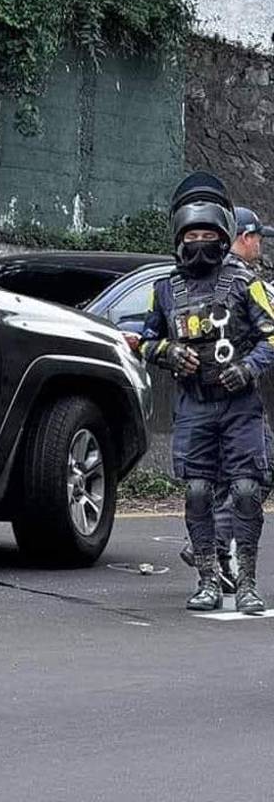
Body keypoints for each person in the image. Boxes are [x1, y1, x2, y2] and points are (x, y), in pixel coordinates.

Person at [140, 173, 274, 613]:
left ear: (223, 235)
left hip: (240, 408)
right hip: (194, 405)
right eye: (191, 235)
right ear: (180, 236)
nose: (199, 242)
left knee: (246, 491)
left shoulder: (245, 283)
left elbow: (271, 336)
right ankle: (207, 581)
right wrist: (168, 352)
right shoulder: (164, 289)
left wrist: (247, 368)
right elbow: (144, 340)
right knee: (197, 491)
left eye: (207, 234)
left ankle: (249, 584)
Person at [178, 205, 274, 589]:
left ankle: (217, 558)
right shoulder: (238, 279)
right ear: (242, 237)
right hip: (230, 399)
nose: (259, 246)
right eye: (256, 238)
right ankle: (215, 544)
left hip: (216, 399)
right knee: (254, 473)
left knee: (224, 481)